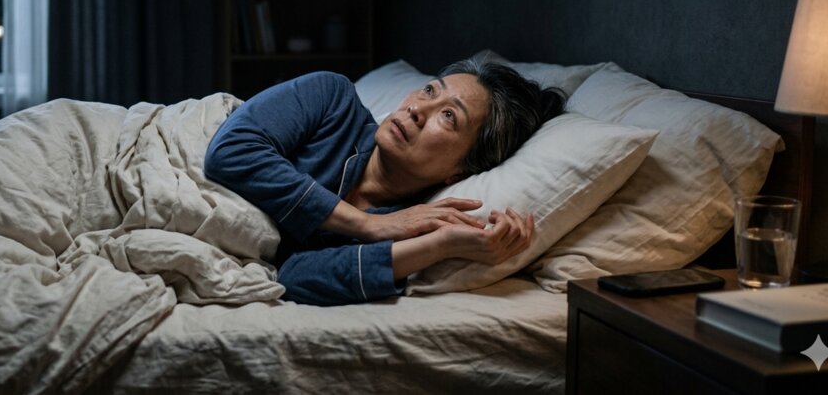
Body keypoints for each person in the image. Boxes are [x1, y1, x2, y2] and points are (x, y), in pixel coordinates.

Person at [204, 58, 566, 306]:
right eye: (428, 91)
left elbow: (292, 277)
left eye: (448, 115)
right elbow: (230, 151)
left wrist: (439, 246)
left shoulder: (411, 222)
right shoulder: (331, 100)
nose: (416, 109)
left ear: (459, 171)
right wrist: (367, 224)